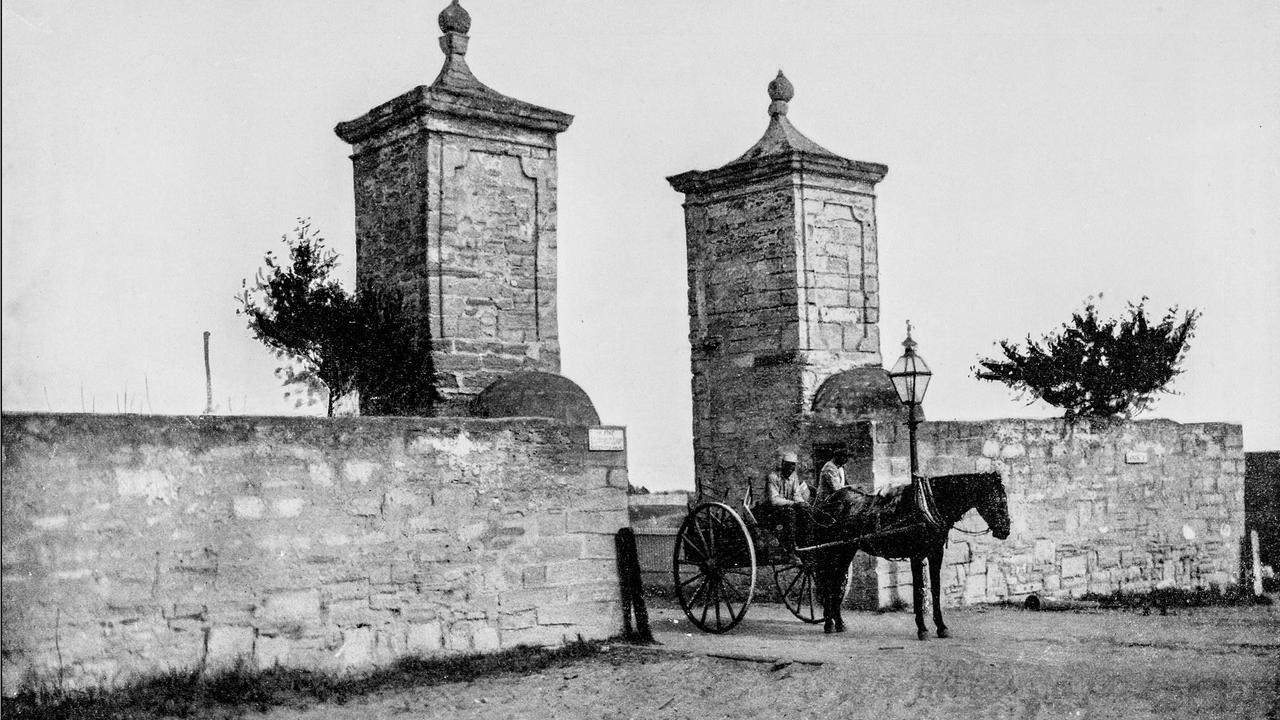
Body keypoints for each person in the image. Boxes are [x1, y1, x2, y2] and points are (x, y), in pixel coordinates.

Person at [766, 449, 810, 559]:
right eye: (789, 466)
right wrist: (793, 504)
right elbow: (774, 500)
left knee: (807, 512)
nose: (791, 469)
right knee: (790, 514)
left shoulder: (793, 476)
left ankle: (805, 543)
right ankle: (790, 549)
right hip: (771, 510)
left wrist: (801, 503)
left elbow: (796, 493)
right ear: (782, 465)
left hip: (788, 507)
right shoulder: (773, 477)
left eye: (793, 466)